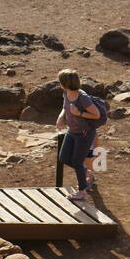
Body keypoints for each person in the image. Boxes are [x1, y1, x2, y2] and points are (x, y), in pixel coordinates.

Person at [53, 68, 100, 202]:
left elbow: (96, 114)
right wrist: (61, 117)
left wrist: (79, 113)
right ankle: (87, 173)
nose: (59, 84)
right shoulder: (66, 93)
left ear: (65, 83)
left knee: (77, 162)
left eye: (60, 81)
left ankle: (82, 191)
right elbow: (64, 107)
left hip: (84, 134)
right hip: (72, 131)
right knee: (63, 157)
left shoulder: (83, 97)